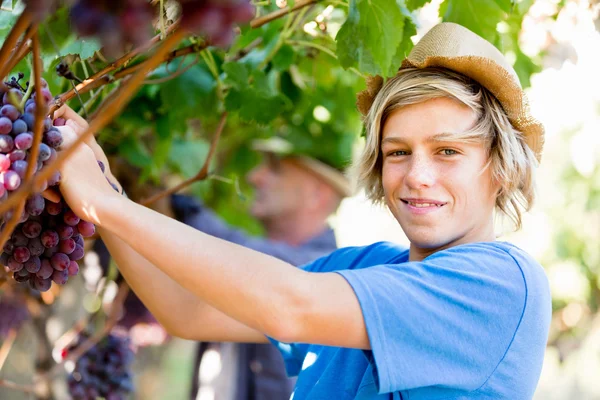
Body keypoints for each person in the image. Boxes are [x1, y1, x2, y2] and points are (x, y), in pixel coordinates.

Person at [51, 22, 551, 399]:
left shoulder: (501, 284)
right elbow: (185, 309)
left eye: (448, 151)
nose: (417, 174)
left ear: (501, 169)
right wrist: (101, 184)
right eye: (399, 152)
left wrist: (104, 201)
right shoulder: (361, 268)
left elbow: (290, 306)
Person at [169, 138, 350, 400]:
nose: (255, 177)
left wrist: (183, 208)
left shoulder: (322, 273)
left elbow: (245, 258)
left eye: (275, 169)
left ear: (316, 194)